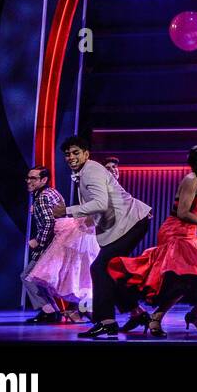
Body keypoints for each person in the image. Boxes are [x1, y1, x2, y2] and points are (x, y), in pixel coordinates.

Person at [108, 144, 197, 337]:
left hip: (188, 234)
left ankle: (195, 315)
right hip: (175, 234)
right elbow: (182, 213)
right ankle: (156, 317)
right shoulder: (191, 180)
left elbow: (191, 214)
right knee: (183, 278)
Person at [53, 135, 153, 339]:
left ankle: (106, 321)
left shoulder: (91, 170)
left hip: (132, 222)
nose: (70, 157)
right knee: (109, 270)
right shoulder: (85, 172)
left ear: (86, 154)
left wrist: (67, 211)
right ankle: (137, 313)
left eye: (75, 153)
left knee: (99, 267)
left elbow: (100, 203)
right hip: (128, 224)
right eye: (67, 154)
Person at [26, 185, 99, 322]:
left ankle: (73, 310)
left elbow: (51, 220)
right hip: (82, 232)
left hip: (87, 233)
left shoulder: (46, 195)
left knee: (82, 274)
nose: (29, 182)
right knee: (79, 274)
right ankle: (75, 310)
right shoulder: (49, 194)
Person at [22, 166, 67, 324]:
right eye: (28, 178)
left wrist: (38, 241)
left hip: (50, 243)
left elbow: (49, 222)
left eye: (33, 178)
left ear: (44, 180)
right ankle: (52, 311)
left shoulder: (42, 197)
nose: (28, 181)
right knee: (38, 278)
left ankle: (49, 311)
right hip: (60, 241)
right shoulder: (51, 192)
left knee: (29, 276)